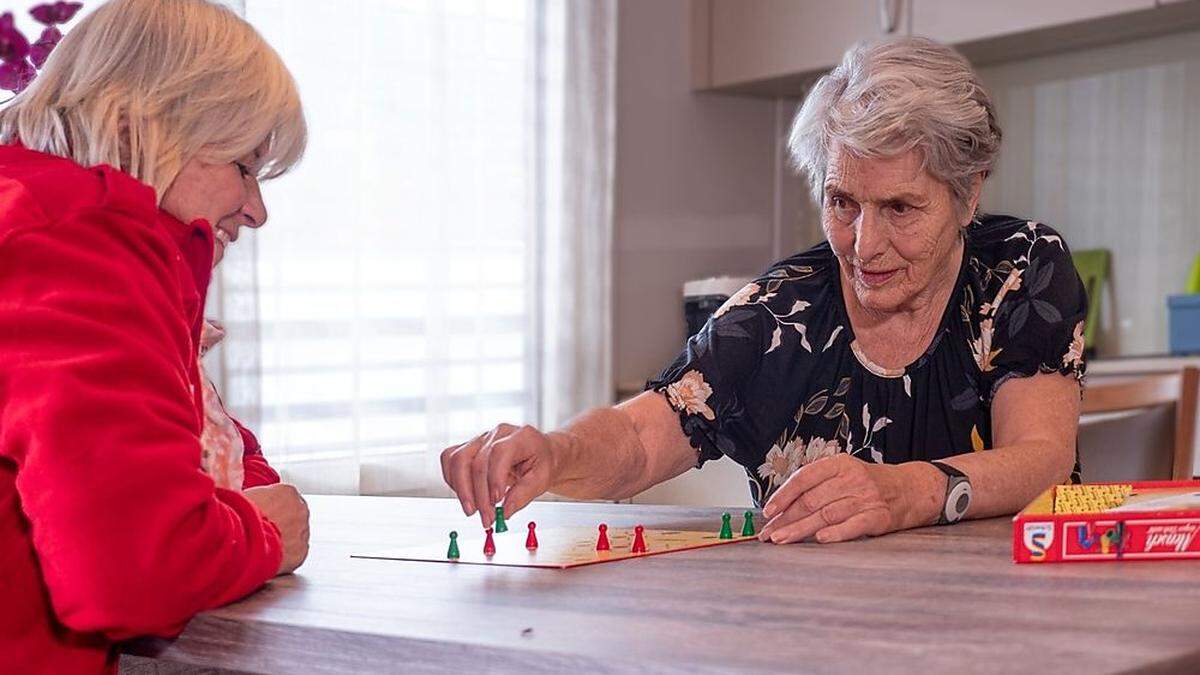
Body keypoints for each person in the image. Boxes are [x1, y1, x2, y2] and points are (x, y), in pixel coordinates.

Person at [441, 37, 1088, 547]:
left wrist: (908, 493)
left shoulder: (1019, 270)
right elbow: (640, 438)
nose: (864, 244)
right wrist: (555, 454)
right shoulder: (780, 314)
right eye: (842, 202)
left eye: (900, 207)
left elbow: (1042, 459)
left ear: (968, 192)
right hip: (812, 626)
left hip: (1005, 610)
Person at [0, 0, 310, 671]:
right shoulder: (79, 241)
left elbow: (203, 455)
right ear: (144, 120)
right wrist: (265, 535)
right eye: (244, 166)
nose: (256, 210)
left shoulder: (26, 213)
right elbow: (133, 567)